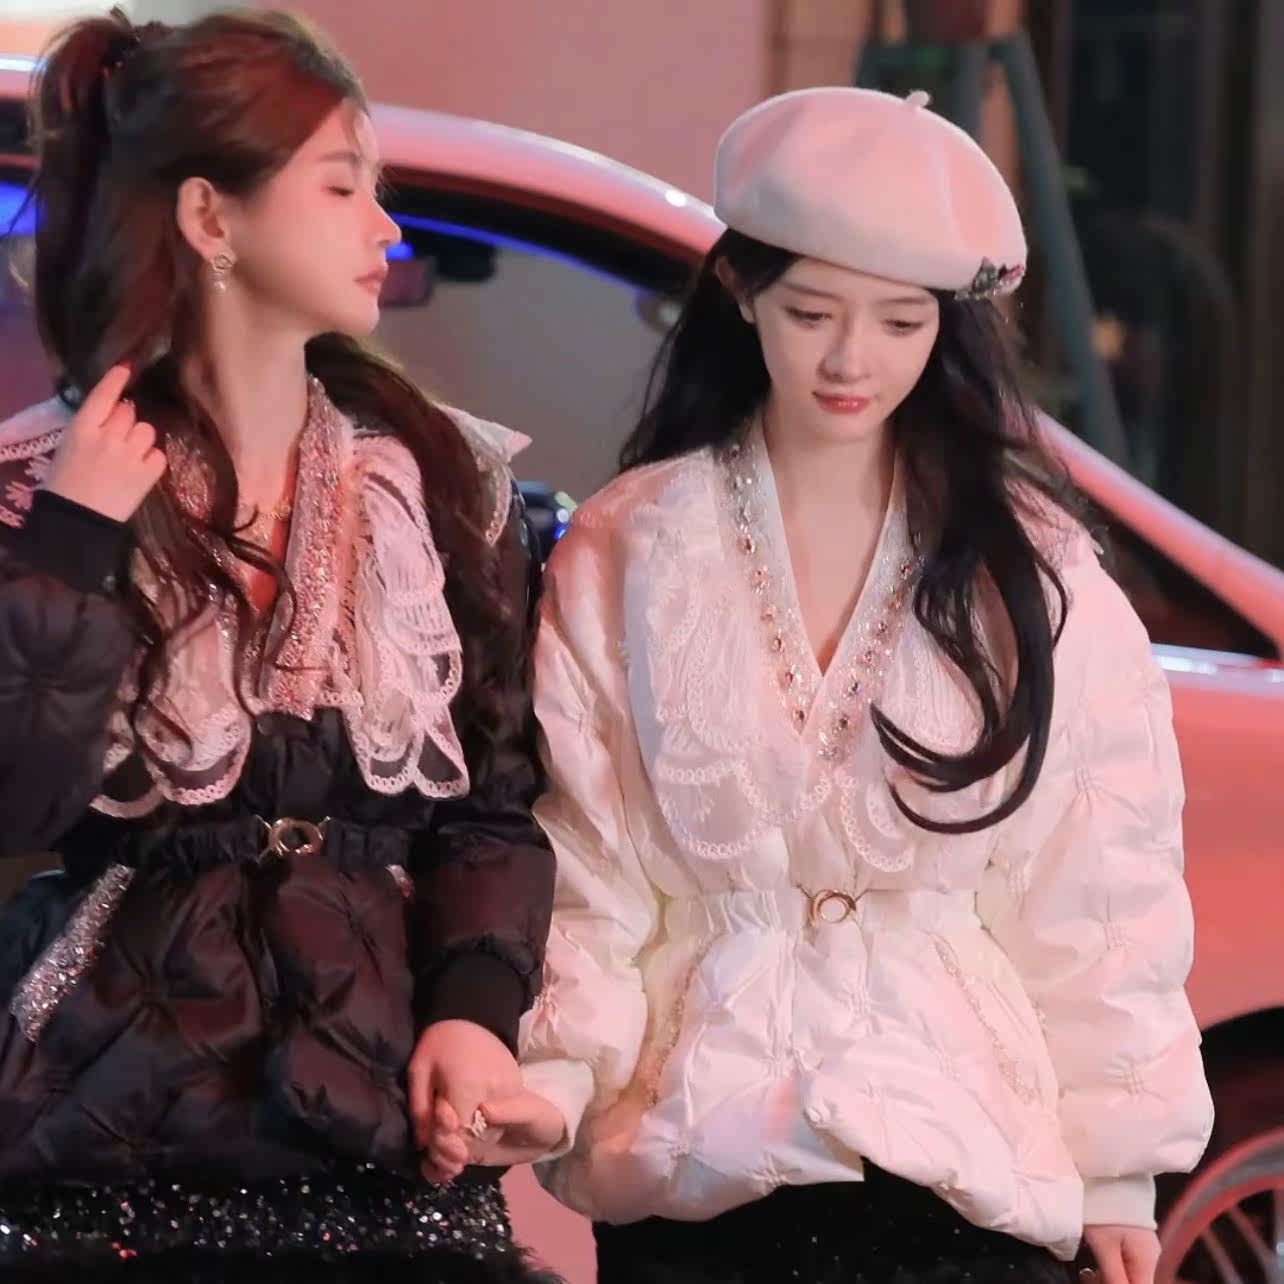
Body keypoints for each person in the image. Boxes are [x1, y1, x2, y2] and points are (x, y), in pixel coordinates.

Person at [429, 88, 1214, 1284]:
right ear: (741, 292)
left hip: (965, 1156)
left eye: (901, 323)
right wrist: (558, 1076)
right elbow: (589, 861)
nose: (853, 360)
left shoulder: (1030, 566)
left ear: (947, 326)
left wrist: (1117, 1171)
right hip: (697, 1153)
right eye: (812, 313)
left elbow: (1100, 882)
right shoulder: (632, 545)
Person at [0, 8, 557, 1281]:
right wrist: (72, 550)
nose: (387, 229)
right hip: (105, 1136)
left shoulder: (436, 484)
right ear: (212, 218)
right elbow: (16, 803)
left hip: (382, 1141)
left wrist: (476, 1016)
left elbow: (495, 807)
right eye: (344, 186)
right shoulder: (43, 485)